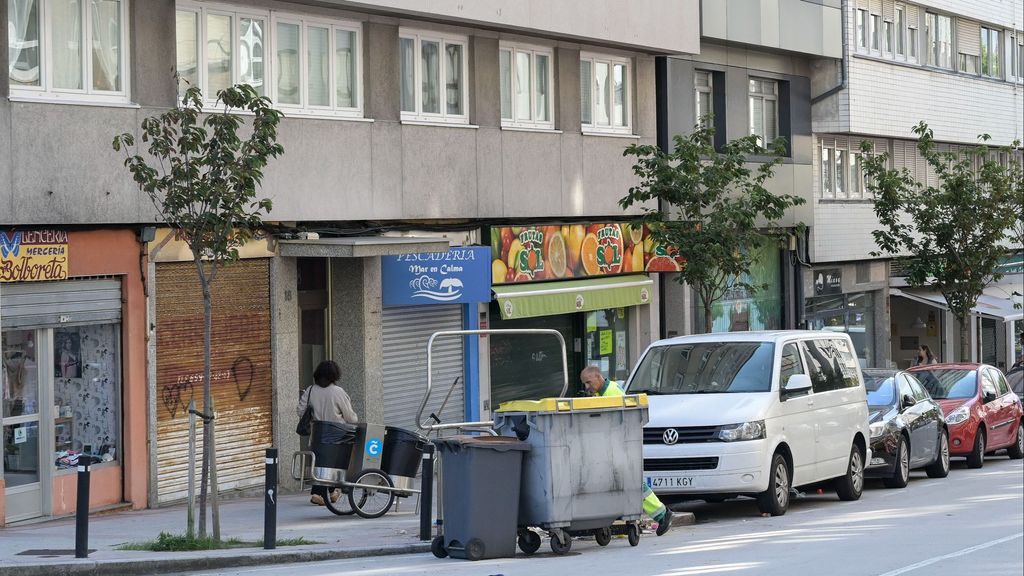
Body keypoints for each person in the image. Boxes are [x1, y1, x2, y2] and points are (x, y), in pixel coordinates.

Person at [580, 366, 673, 536]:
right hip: (620, 446)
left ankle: (662, 514)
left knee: (634, 483)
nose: (587, 387)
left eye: (588, 382)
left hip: (621, 447)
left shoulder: (611, 395)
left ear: (598, 377)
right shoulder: (607, 391)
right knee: (626, 483)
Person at [297, 360, 359, 506]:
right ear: (335, 375)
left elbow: (300, 411)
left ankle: (328, 493)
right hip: (338, 436)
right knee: (335, 464)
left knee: (320, 464)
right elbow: (350, 417)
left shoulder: (310, 390)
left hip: (317, 435)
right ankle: (320, 493)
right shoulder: (338, 392)